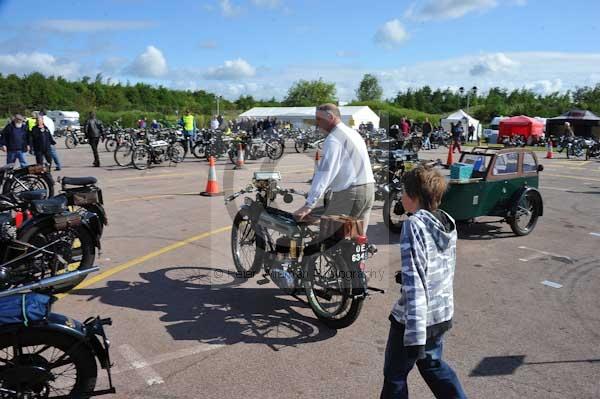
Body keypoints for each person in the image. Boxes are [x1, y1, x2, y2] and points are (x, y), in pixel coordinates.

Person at [381, 166, 466, 399]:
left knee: (395, 375)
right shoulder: (446, 221)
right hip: (440, 312)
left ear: (414, 197)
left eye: (403, 193)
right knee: (432, 365)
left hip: (414, 320)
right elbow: (439, 267)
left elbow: (416, 283)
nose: (401, 197)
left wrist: (415, 336)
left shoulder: (414, 225)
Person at [294, 103, 375, 230]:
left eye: (319, 119)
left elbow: (325, 173)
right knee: (357, 236)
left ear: (330, 117)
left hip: (349, 193)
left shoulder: (334, 139)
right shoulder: (352, 133)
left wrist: (309, 204)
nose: (317, 123)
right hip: (368, 189)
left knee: (330, 238)